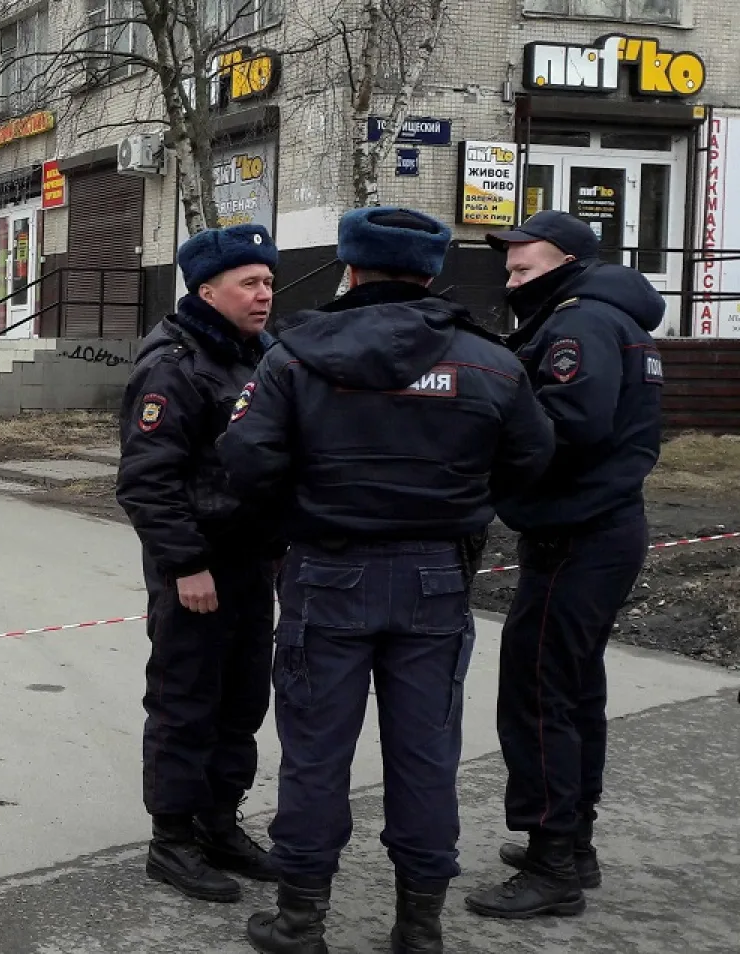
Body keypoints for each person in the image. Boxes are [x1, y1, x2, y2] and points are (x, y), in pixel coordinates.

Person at [218, 207, 556, 954]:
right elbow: (532, 459)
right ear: (431, 273)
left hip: (327, 573)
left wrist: (301, 507)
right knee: (428, 756)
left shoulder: (294, 357)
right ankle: (419, 926)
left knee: (314, 754)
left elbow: (244, 461)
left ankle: (301, 921)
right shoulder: (491, 361)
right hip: (437, 577)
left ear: (351, 268)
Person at [464, 210, 665, 920]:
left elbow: (565, 425)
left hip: (578, 535)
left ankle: (553, 864)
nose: (512, 280)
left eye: (525, 269)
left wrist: (481, 436)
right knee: (574, 689)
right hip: (601, 529)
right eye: (510, 269)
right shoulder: (610, 318)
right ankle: (572, 840)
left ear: (569, 263)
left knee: (539, 692)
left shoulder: (579, 325)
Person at [115, 223, 287, 904]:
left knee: (242, 700)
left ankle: (219, 823)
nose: (264, 293)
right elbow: (147, 480)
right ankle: (174, 841)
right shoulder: (174, 364)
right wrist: (186, 564)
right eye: (250, 282)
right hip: (197, 568)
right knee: (187, 702)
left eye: (269, 281)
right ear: (207, 289)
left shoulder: (259, 355)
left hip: (251, 563)